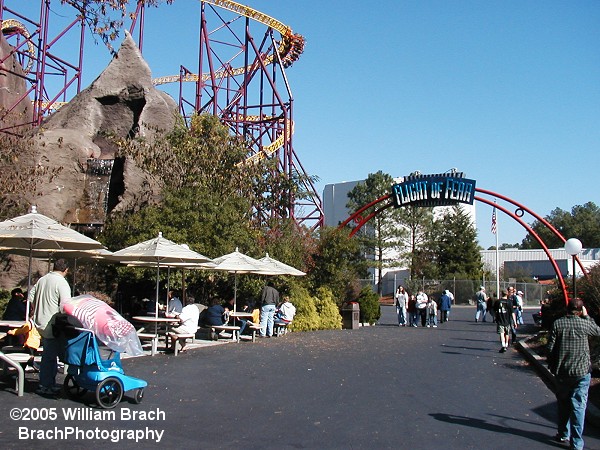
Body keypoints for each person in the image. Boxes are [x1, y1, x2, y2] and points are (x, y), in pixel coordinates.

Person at [547, 298, 600, 450]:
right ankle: (576, 442)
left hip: (563, 371)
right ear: (580, 310)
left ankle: (563, 432)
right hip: (582, 371)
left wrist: (552, 364)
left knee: (563, 403)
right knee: (578, 406)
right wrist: (587, 316)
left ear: (567, 308)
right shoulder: (585, 323)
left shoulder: (558, 323)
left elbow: (550, 348)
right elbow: (597, 331)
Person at [30, 258, 71, 395]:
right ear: (66, 270)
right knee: (50, 355)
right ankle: (45, 385)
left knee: (50, 354)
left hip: (39, 322)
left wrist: (36, 310)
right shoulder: (62, 283)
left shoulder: (42, 279)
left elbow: (31, 297)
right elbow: (66, 306)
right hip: (53, 324)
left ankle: (48, 383)